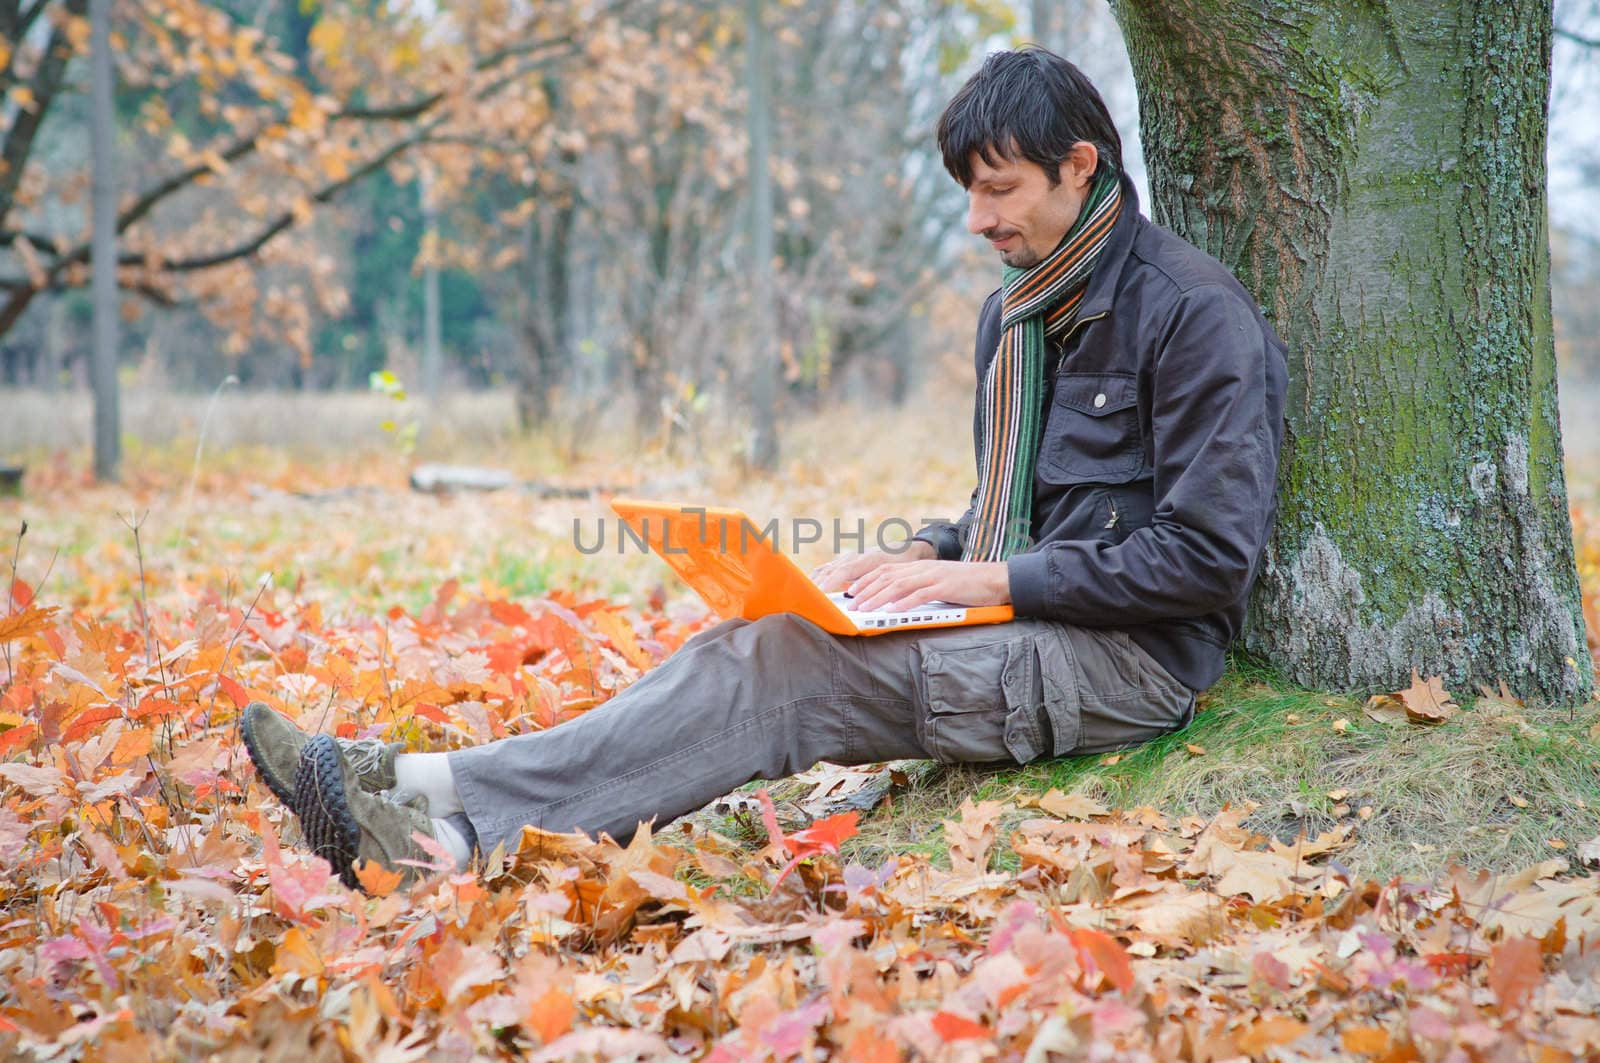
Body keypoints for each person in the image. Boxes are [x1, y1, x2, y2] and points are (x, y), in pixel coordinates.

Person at [245, 47, 1288, 891]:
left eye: (998, 190)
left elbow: (1207, 560)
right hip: (1022, 619)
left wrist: (985, 579)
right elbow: (1010, 507)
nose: (978, 221)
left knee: (788, 671)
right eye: (969, 195)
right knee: (760, 630)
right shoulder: (1015, 316)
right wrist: (922, 553)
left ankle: (434, 814)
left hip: (1132, 663)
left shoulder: (1193, 316)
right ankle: (433, 812)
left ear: (1079, 165)